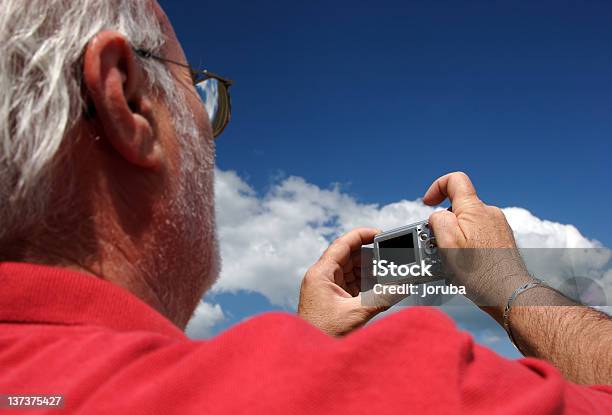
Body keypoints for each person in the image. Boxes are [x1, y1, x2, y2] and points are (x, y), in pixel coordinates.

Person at [0, 1, 609, 413]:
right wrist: (511, 287)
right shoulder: (386, 391)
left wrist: (305, 342)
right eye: (204, 100)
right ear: (128, 100)